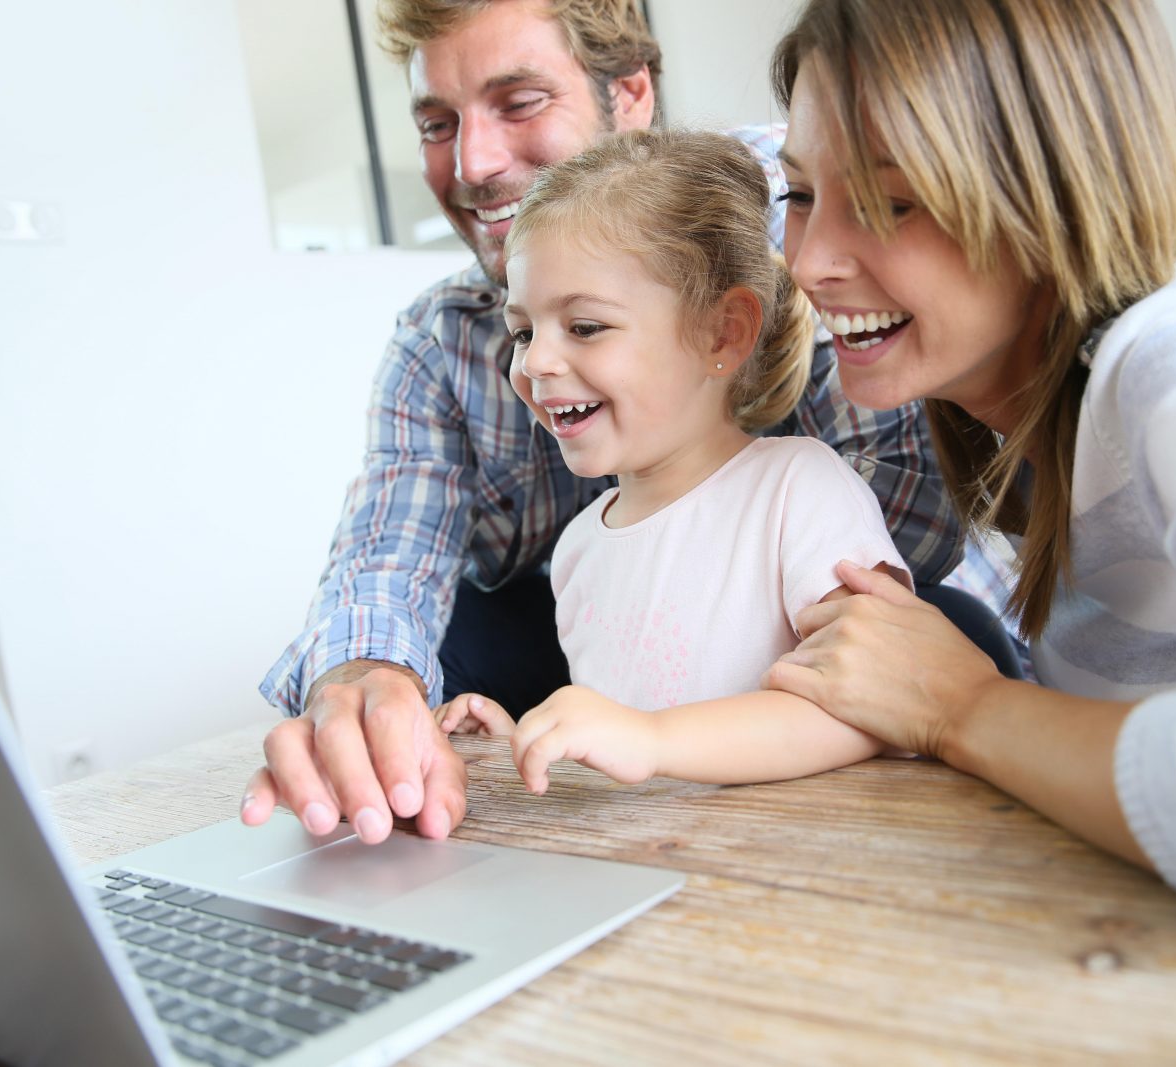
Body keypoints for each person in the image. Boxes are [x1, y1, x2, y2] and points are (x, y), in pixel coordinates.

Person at [242, 0, 964, 846]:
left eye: (518, 102)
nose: (473, 162)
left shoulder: (799, 246)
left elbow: (866, 680)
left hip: (820, 786)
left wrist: (658, 735)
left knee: (951, 626)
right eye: (437, 122)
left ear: (629, 95)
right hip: (657, 831)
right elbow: (394, 562)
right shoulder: (576, 537)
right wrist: (512, 731)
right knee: (467, 627)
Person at [761, 0, 1176, 966]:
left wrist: (957, 707)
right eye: (801, 193)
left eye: (893, 202)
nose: (808, 261)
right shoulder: (1017, 413)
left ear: (1049, 192)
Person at [435, 128, 910, 792]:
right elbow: (633, 759)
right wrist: (533, 739)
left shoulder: (799, 491)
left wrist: (651, 740)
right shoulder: (577, 550)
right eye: (523, 331)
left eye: (585, 326)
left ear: (723, 332)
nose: (535, 361)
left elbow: (872, 705)